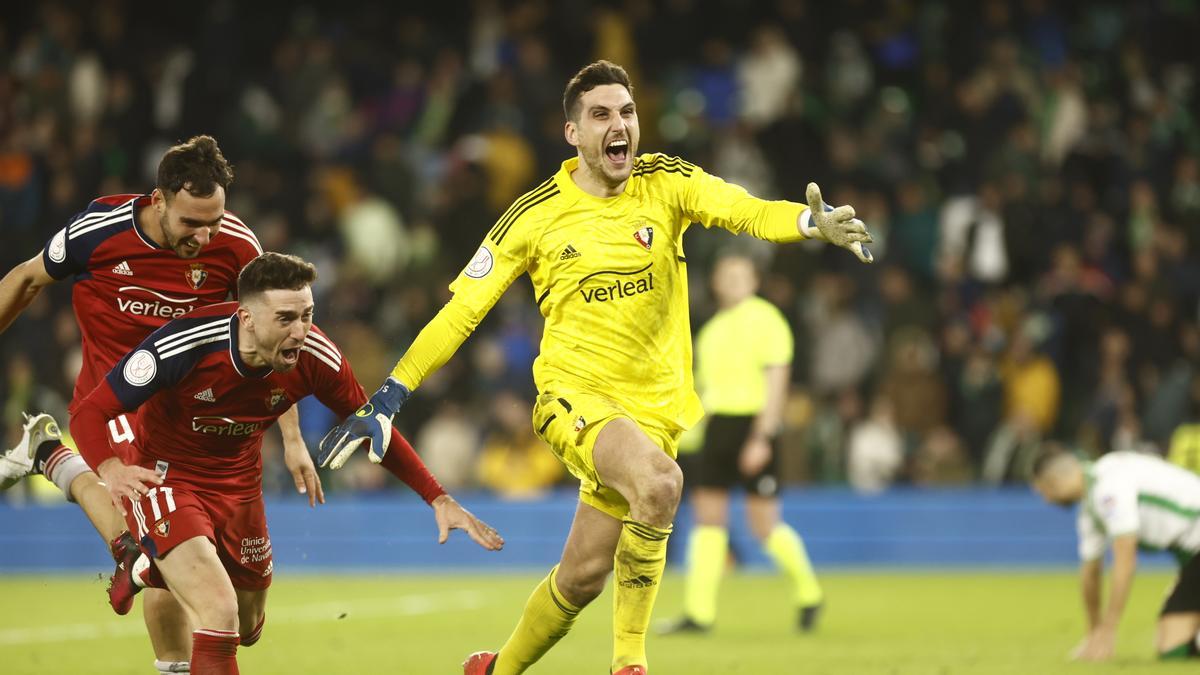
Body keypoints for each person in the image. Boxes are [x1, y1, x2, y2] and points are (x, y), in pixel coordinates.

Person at [318, 60, 873, 675]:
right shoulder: (534, 215)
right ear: (573, 133)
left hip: (652, 413)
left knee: (581, 577)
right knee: (661, 485)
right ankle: (630, 664)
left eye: (628, 112)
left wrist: (805, 221)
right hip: (573, 396)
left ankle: (493, 671)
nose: (620, 125)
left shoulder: (667, 182)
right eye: (602, 114)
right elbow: (460, 314)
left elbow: (743, 210)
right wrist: (392, 392)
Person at [70, 252, 504, 675]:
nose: (300, 332)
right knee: (217, 612)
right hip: (168, 477)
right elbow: (89, 413)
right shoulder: (182, 344)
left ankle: (147, 566)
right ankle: (72, 475)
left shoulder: (317, 355)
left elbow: (371, 426)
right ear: (246, 318)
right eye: (285, 319)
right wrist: (110, 468)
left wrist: (437, 497)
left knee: (246, 627)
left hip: (239, 484)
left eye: (307, 315)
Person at [0, 135, 320, 674]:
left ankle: (51, 455)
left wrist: (290, 437)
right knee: (155, 547)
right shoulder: (97, 232)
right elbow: (26, 279)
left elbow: (273, 340)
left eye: (214, 220)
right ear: (159, 199)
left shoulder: (238, 248)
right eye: (192, 222)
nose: (205, 235)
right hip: (116, 399)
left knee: (215, 599)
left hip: (191, 411)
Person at [658, 252, 823, 636]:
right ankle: (699, 613)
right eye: (726, 274)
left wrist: (763, 437)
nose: (732, 281)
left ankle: (809, 593)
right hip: (716, 430)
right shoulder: (711, 330)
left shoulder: (766, 318)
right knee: (708, 520)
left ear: (753, 281)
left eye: (740, 274)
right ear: (716, 282)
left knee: (764, 524)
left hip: (753, 424)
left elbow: (777, 380)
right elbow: (704, 389)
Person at [1031, 448, 1200, 661]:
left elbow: (1125, 559)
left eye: (1043, 492)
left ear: (1053, 482)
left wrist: (1109, 628)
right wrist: (1094, 633)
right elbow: (1090, 573)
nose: (1047, 501)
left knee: (1172, 643)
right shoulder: (1091, 505)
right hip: (1194, 555)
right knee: (1172, 648)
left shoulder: (1108, 488)